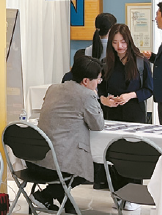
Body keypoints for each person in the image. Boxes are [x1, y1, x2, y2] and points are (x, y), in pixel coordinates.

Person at [29, 56, 104, 214]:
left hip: (35, 160)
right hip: (58, 165)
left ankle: (64, 204)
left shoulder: (53, 88)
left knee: (79, 164)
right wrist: (96, 98)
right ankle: (44, 195)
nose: (98, 82)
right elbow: (98, 125)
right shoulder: (87, 95)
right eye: (97, 79)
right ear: (85, 81)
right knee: (90, 168)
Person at [99, 24, 153, 123]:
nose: (119, 46)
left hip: (136, 114)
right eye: (115, 42)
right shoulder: (106, 63)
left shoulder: (141, 61)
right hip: (112, 114)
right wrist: (104, 100)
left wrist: (130, 95)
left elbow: (149, 89)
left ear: (129, 41)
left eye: (123, 42)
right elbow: (100, 89)